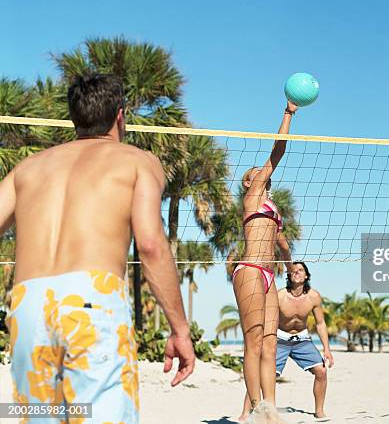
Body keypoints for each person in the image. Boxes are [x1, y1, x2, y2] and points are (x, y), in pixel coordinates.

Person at [0, 73, 195, 423]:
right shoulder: (137, 160)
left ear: (75, 117)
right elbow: (150, 245)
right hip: (91, 299)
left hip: (27, 305)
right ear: (120, 116)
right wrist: (180, 329)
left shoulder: (27, 169)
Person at [232, 100, 298, 422]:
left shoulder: (273, 211)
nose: (259, 172)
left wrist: (290, 265)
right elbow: (277, 151)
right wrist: (288, 114)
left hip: (270, 275)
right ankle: (257, 406)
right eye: (253, 172)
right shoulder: (253, 195)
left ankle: (271, 409)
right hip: (249, 271)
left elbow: (282, 245)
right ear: (248, 182)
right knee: (254, 342)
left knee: (271, 344)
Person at [239, 261, 334, 421]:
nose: (296, 272)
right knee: (263, 374)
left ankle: (319, 411)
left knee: (321, 371)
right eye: (293, 270)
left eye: (300, 270)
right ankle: (245, 413)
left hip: (302, 340)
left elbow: (320, 323)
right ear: (288, 275)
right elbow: (267, 320)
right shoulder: (279, 295)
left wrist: (327, 349)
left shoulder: (314, 296)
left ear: (306, 275)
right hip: (280, 339)